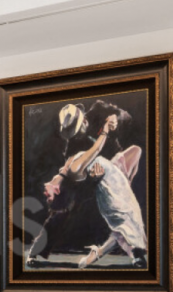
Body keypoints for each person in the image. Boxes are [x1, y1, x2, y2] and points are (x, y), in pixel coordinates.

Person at [29, 101, 146, 269]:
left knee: (136, 152)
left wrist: (116, 118)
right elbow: (73, 170)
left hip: (114, 166)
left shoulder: (100, 109)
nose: (76, 135)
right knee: (63, 211)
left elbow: (125, 118)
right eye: (72, 133)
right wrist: (92, 179)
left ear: (84, 119)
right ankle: (35, 251)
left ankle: (134, 252)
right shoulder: (73, 144)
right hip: (93, 177)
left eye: (77, 130)